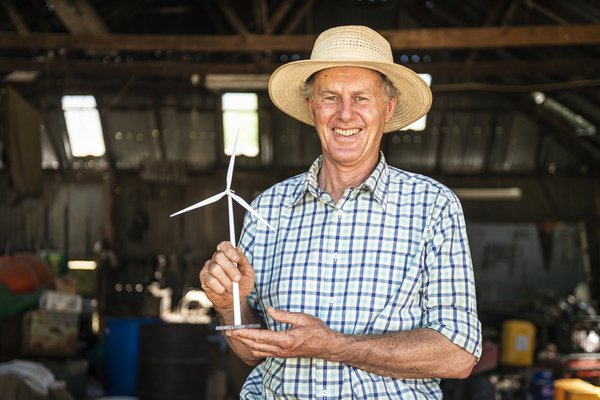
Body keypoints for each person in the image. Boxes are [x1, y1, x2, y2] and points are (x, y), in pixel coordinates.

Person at [200, 25, 482, 399]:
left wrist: (333, 345)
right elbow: (252, 352)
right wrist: (228, 305)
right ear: (311, 107)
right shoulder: (268, 207)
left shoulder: (432, 206)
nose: (345, 114)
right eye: (330, 97)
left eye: (361, 98)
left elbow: (458, 354)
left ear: (389, 107)